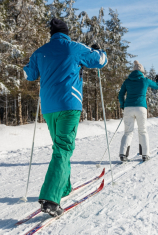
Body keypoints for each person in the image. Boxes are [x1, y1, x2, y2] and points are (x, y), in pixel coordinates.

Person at [23, 18, 108, 217]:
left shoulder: (40, 51)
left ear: (51, 33)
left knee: (60, 148)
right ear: (66, 32)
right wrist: (97, 50)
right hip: (69, 105)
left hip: (49, 108)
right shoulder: (74, 47)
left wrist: (31, 65)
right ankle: (50, 198)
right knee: (63, 149)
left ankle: (64, 187)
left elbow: (28, 75)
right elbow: (101, 61)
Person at [118, 61, 158, 162]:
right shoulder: (144, 80)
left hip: (128, 107)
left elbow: (120, 94)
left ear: (133, 70)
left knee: (128, 132)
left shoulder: (127, 81)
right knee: (142, 131)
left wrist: (122, 105)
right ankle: (145, 155)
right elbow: (157, 86)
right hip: (141, 108)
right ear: (142, 71)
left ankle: (123, 154)